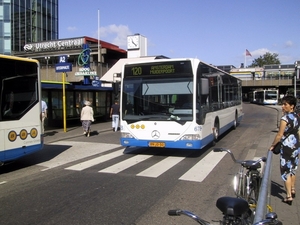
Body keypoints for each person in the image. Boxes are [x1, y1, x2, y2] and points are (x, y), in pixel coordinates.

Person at [269, 95, 300, 205]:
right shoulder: (297, 116)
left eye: (285, 104)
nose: (282, 106)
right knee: (293, 168)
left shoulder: (285, 119)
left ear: (292, 106)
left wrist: (272, 146)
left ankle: (288, 196)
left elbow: (279, 135)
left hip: (287, 147)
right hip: (296, 145)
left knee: (286, 171)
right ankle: (292, 189)